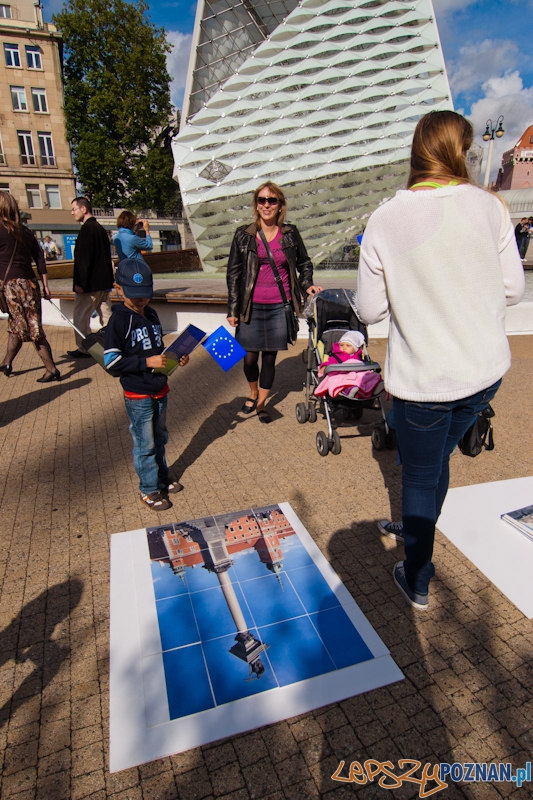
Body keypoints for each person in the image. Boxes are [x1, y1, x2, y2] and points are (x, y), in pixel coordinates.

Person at [356, 110, 525, 611]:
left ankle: (417, 575)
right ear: (459, 150)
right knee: (435, 465)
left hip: (426, 379)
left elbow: (370, 310)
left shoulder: (386, 217)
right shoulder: (490, 206)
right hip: (484, 372)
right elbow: (513, 289)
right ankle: (420, 531)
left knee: (419, 476)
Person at [226, 181, 322, 423]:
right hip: (250, 306)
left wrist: (307, 283)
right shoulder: (243, 235)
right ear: (256, 205)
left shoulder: (290, 234)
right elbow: (234, 274)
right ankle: (252, 392)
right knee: (249, 358)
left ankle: (261, 403)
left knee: (269, 358)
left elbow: (304, 263)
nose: (266, 205)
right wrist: (232, 309)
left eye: (272, 200)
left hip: (280, 305)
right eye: (262, 200)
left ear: (280, 205)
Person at [103, 258, 189, 511]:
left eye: (145, 293)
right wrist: (145, 362)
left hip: (160, 388)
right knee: (145, 443)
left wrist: (175, 357)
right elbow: (111, 362)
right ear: (118, 289)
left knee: (160, 438)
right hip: (137, 393)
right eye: (133, 294)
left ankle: (162, 477)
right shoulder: (118, 320)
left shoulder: (151, 314)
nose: (140, 299)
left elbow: (157, 348)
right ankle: (149, 489)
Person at [0, 192, 60, 382]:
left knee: (30, 329)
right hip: (30, 284)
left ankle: (51, 369)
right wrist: (46, 286)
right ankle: (6, 362)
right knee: (18, 326)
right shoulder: (25, 231)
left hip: (11, 287)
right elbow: (40, 258)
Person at [67, 197, 114, 359]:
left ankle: (84, 347)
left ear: (84, 209)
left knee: (80, 316)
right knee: (107, 316)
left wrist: (80, 283)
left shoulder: (87, 229)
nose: (72, 213)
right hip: (103, 284)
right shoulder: (100, 229)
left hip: (90, 285)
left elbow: (83, 259)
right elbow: (105, 257)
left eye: (74, 209)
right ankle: (113, 344)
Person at [315, 331, 383, 399]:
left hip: (357, 374)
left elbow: (363, 365)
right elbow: (329, 363)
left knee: (367, 375)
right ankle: (348, 390)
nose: (344, 348)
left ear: (355, 348)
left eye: (348, 346)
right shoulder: (336, 356)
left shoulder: (358, 356)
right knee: (336, 379)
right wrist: (324, 367)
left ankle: (375, 387)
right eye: (342, 345)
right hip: (343, 375)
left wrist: (370, 364)